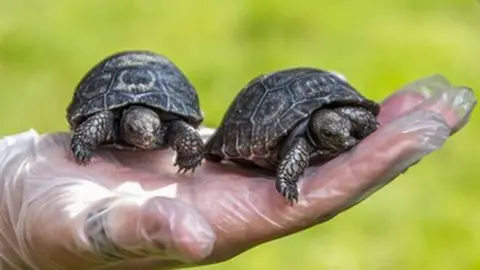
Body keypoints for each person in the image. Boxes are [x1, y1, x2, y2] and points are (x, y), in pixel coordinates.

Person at [0, 74, 475, 270]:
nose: (344, 138)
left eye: (347, 130)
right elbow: (299, 143)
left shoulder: (341, 122)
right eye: (334, 134)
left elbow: (329, 131)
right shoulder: (114, 120)